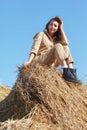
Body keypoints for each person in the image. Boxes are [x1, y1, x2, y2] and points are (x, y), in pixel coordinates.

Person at [24, 16, 81, 83]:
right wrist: (29, 61)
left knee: (65, 47)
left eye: (55, 26)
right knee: (58, 45)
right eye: (51, 24)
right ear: (48, 25)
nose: (53, 27)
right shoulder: (41, 34)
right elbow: (34, 48)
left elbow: (66, 43)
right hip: (39, 60)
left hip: (50, 64)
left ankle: (71, 71)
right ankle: (65, 70)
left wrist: (61, 28)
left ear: (57, 28)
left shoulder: (55, 40)